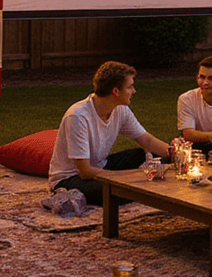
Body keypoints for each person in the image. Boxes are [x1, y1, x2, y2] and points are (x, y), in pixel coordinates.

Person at [47, 61, 172, 206]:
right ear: (116, 91)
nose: (134, 91)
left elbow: (147, 140)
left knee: (141, 154)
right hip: (71, 178)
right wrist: (126, 177)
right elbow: (85, 171)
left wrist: (174, 153)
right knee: (118, 191)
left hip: (101, 167)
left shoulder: (120, 109)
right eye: (130, 87)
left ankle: (135, 186)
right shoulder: (78, 117)